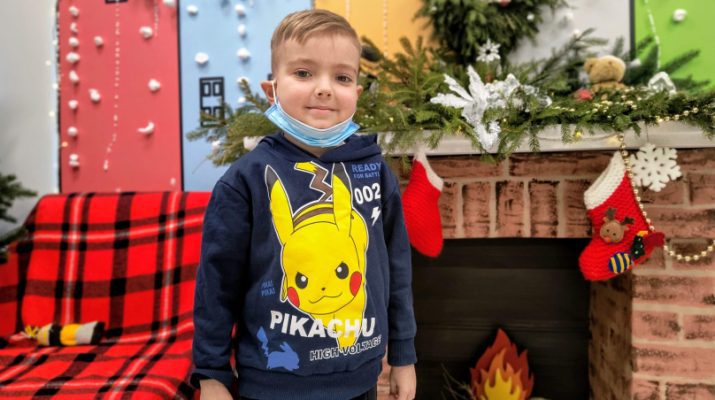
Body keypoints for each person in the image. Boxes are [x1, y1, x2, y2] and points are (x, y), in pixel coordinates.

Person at [191, 9, 417, 400]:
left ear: (357, 93)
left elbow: (396, 269)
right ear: (272, 90)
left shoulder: (375, 171)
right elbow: (217, 284)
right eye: (303, 73)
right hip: (272, 385)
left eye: (342, 77)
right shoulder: (244, 180)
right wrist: (211, 374)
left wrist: (404, 355)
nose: (324, 88)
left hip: (360, 380)